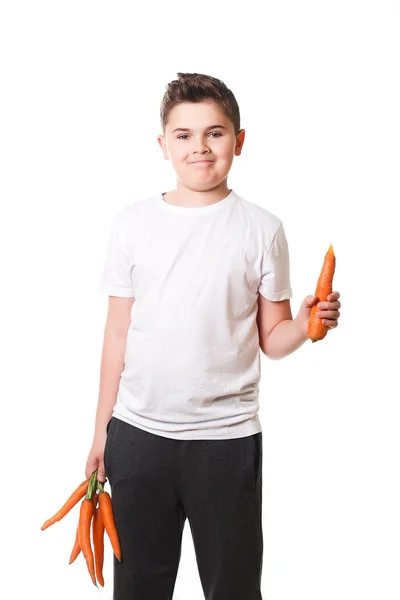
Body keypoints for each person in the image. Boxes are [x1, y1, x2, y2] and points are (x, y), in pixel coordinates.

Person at [85, 72, 341, 600]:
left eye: (215, 133)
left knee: (234, 587)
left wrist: (308, 324)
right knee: (138, 584)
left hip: (225, 442)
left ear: (239, 141)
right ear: (163, 145)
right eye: (183, 135)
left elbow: (273, 337)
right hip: (138, 437)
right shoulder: (133, 224)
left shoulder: (261, 229)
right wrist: (101, 433)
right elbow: (116, 335)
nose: (199, 147)